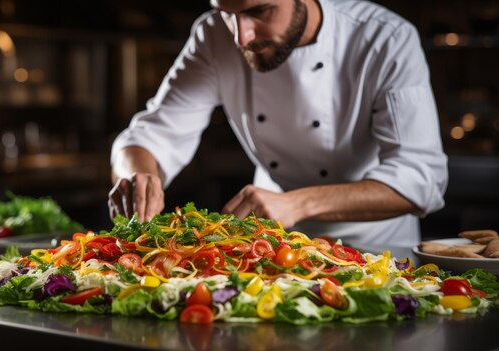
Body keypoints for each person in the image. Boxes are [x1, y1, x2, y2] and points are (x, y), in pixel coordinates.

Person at [108, 0, 448, 247]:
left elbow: (421, 177)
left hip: (376, 251)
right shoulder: (213, 35)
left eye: (259, 11)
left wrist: (296, 203)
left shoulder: (384, 38)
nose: (242, 36)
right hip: (267, 249)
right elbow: (150, 135)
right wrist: (136, 178)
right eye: (228, 14)